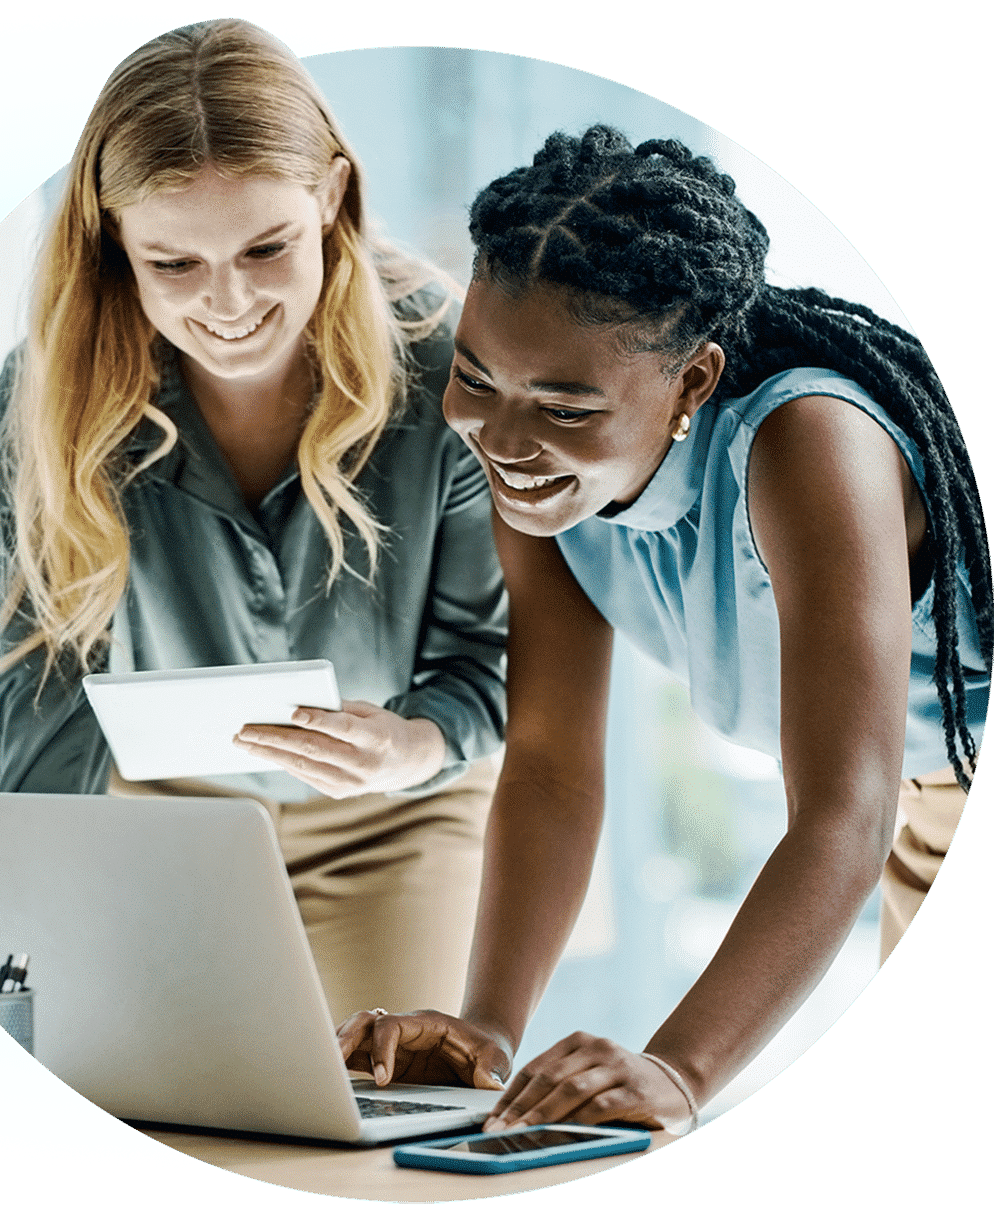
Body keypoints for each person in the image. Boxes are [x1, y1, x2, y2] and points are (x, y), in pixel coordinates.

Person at [339, 126, 990, 1133]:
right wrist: (486, 1028)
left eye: (563, 405)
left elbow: (838, 813)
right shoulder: (540, 490)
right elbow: (552, 764)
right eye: (475, 378)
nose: (506, 441)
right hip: (917, 814)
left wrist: (679, 1071)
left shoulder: (807, 442)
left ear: (690, 382)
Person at [0, 19, 507, 1024]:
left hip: (394, 811)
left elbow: (486, 657)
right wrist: (30, 920)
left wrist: (415, 744)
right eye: (172, 264)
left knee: (382, 1116)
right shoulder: (45, 399)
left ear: (332, 198)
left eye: (266, 246)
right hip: (164, 810)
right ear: (115, 248)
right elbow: (42, 679)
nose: (227, 302)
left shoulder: (448, 371)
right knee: (157, 1103)